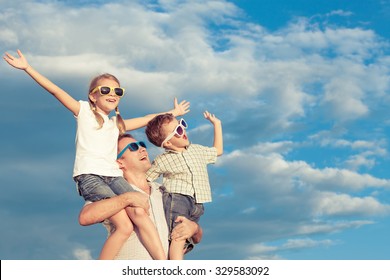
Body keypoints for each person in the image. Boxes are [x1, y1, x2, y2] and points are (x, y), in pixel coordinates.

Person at [3, 50, 190, 260]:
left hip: (113, 176)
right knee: (124, 226)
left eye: (117, 91)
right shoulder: (83, 112)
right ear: (93, 95)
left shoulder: (116, 125)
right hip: (90, 176)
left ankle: (164, 265)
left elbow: (147, 118)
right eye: (105, 89)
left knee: (140, 209)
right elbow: (56, 91)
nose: (112, 93)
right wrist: (27, 68)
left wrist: (173, 114)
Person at [79, 134, 203, 259]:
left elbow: (197, 237)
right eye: (133, 147)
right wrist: (127, 198)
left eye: (142, 145)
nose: (142, 149)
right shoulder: (112, 191)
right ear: (119, 162)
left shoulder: (166, 193)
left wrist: (194, 228)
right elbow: (85, 217)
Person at [145, 111, 223, 259]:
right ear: (168, 143)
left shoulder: (197, 150)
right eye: (178, 131)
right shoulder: (163, 160)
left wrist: (217, 124)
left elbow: (218, 151)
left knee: (185, 242)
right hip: (177, 198)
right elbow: (145, 178)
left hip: (198, 203)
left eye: (182, 125)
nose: (184, 131)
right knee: (177, 237)